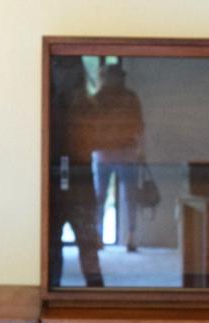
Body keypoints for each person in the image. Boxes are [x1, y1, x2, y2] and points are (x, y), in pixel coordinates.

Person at [48, 56, 105, 287]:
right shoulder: (47, 104)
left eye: (67, 69)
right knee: (52, 247)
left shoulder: (88, 106)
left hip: (79, 179)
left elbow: (94, 142)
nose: (64, 75)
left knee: (88, 244)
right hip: (52, 180)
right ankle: (52, 294)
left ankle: (96, 298)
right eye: (59, 68)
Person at [89, 63, 146, 252]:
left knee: (102, 197)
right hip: (120, 152)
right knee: (125, 197)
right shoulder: (128, 98)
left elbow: (138, 125)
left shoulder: (99, 98)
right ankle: (128, 236)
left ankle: (104, 236)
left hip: (109, 152)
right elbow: (139, 125)